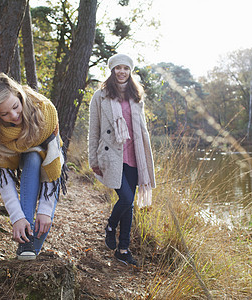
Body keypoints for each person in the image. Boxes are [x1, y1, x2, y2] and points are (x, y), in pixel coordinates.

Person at [0, 73, 66, 261]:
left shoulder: (45, 112)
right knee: (32, 158)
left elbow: (54, 160)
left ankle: (28, 249)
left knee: (35, 157)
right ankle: (27, 246)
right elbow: (5, 180)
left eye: (15, 107)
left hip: (51, 163)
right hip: (24, 160)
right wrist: (17, 218)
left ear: (19, 96)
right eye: (4, 114)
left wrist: (45, 210)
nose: (14, 116)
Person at [88, 54, 156, 266]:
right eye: (118, 68)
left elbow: (142, 130)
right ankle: (110, 225)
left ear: (130, 71)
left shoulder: (136, 96)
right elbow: (94, 129)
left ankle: (123, 250)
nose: (122, 72)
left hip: (135, 157)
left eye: (126, 68)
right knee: (126, 199)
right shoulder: (100, 96)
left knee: (130, 205)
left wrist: (146, 156)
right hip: (112, 156)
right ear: (112, 70)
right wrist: (93, 160)